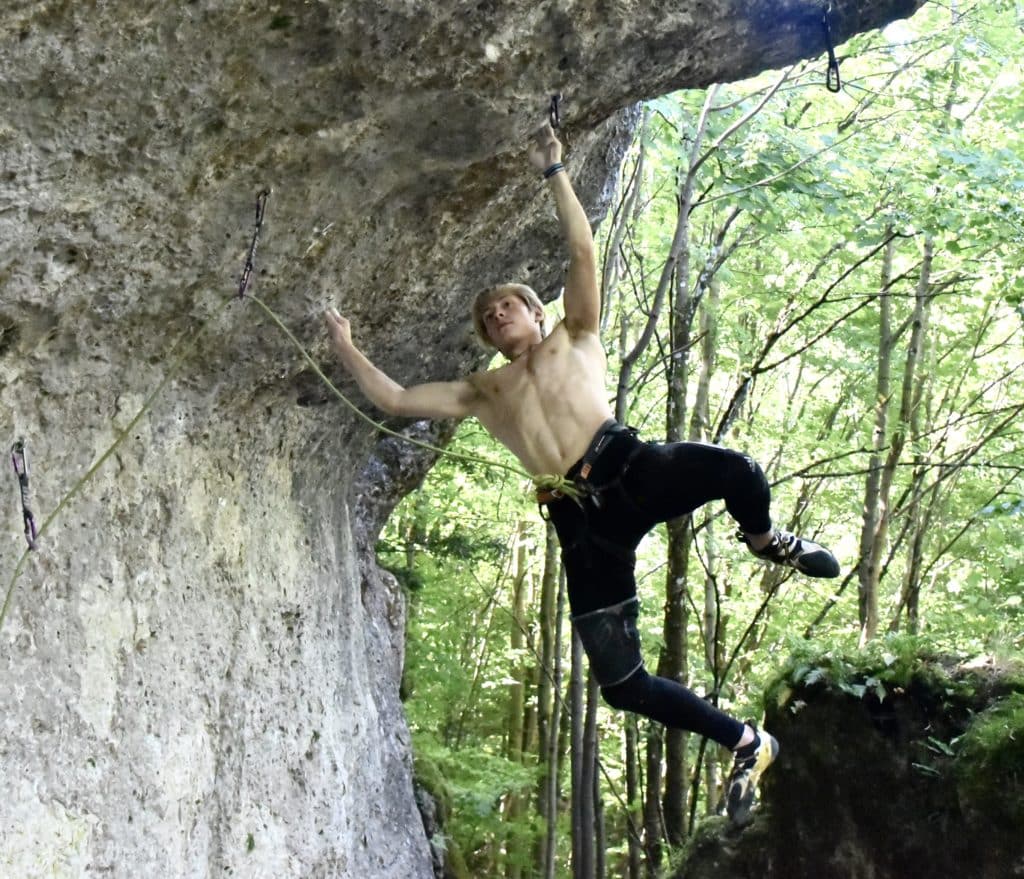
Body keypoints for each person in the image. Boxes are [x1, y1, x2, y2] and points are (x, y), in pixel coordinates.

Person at [324, 121, 840, 824]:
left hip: (627, 465)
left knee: (738, 469)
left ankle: (763, 539)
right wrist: (344, 343)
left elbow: (581, 248)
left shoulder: (577, 333)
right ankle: (748, 742)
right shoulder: (483, 391)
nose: (496, 311)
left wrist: (555, 169)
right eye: (486, 314)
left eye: (508, 303)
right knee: (622, 683)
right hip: (580, 521)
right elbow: (393, 398)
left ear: (537, 313)